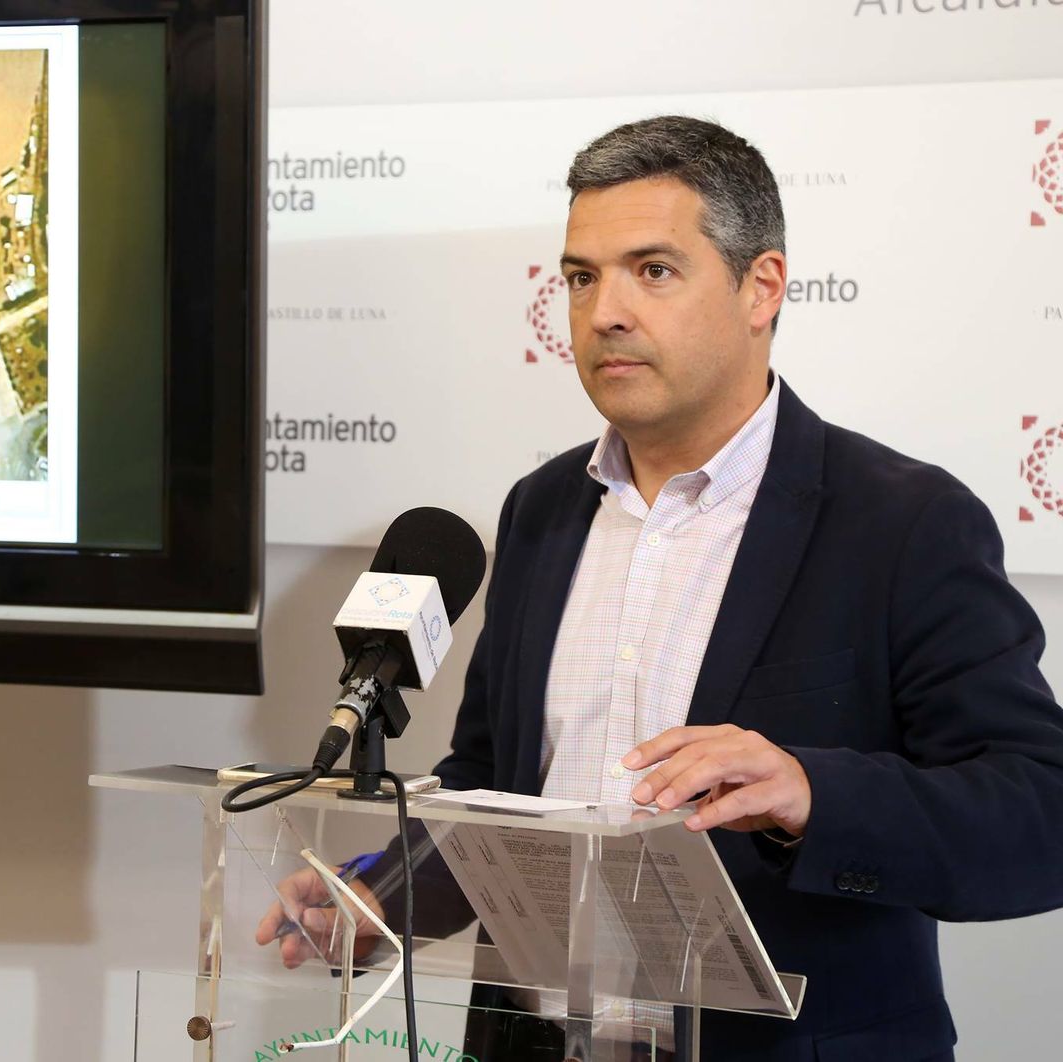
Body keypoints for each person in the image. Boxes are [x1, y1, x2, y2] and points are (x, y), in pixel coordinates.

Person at [256, 115, 1063, 1060]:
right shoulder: (543, 510)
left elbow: (1037, 815)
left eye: (654, 270)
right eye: (581, 277)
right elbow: (498, 795)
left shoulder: (901, 522)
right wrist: (382, 897)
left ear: (762, 287)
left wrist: (812, 792)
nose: (604, 314)